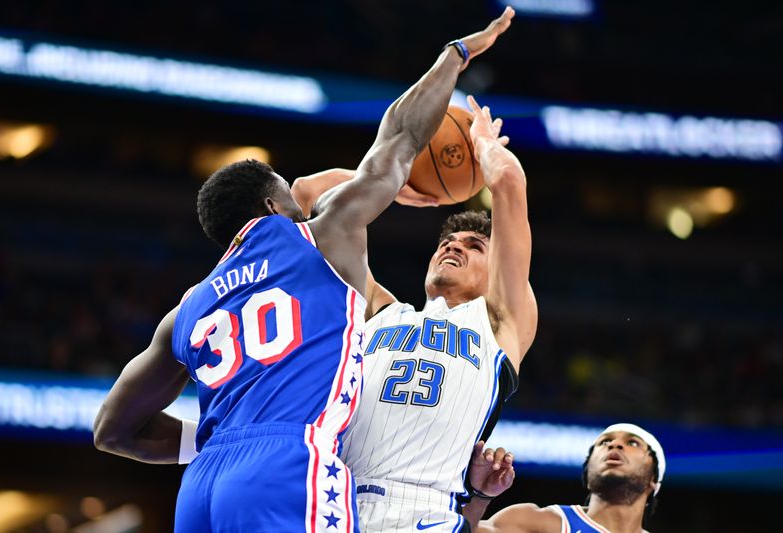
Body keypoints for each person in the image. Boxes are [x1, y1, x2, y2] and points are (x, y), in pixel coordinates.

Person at [92, 8, 515, 533]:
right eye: (289, 196)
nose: (301, 202)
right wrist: (457, 54)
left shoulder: (189, 307)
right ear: (274, 208)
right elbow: (403, 134)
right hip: (288, 465)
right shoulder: (320, 242)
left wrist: (212, 442)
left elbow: (112, 431)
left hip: (201, 485)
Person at [292, 95, 538, 532]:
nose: (453, 246)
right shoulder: (379, 312)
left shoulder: (500, 321)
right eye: (447, 242)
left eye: (473, 246)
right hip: (335, 503)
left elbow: (510, 181)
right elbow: (308, 195)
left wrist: (481, 144)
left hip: (428, 513)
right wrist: (394, 185)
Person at [466, 423, 666, 533]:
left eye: (632, 443)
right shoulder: (540, 522)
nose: (615, 445)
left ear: (653, 480)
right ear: (588, 474)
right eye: (605, 442)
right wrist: (479, 497)